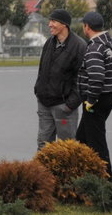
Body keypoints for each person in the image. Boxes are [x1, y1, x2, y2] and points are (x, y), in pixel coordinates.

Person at [75, 10, 112, 176]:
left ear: (87, 27)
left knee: (97, 142)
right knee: (81, 139)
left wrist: (91, 99)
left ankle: (106, 182)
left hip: (95, 101)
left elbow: (96, 76)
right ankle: (81, 177)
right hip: (108, 98)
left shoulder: (94, 48)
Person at [33, 8, 86, 149]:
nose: (49, 24)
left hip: (64, 106)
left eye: (53, 21)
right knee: (43, 145)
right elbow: (42, 70)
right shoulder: (49, 43)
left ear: (64, 25)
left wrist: (70, 104)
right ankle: (43, 172)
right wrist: (38, 90)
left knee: (66, 147)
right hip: (44, 103)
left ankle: (66, 172)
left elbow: (82, 79)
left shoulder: (79, 46)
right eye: (50, 21)